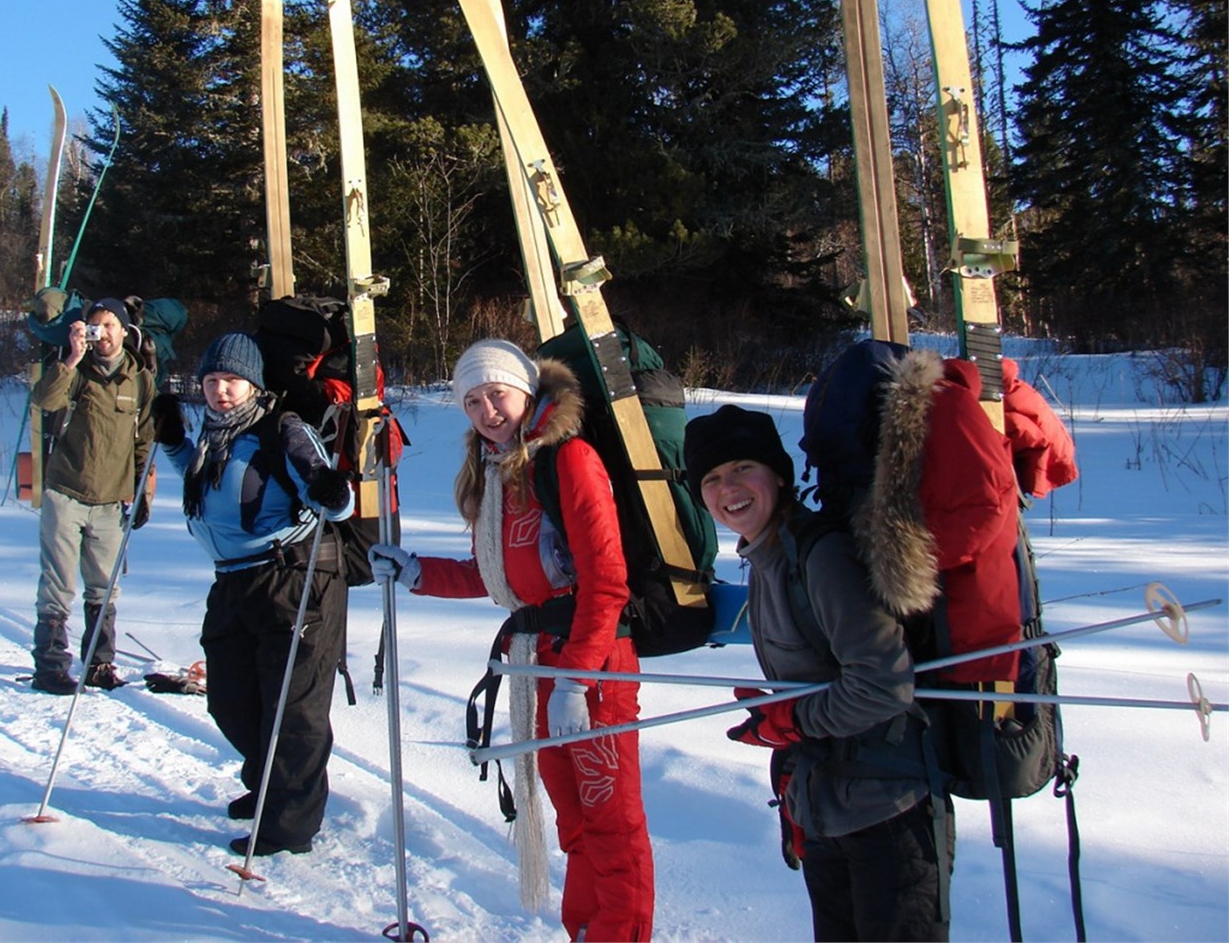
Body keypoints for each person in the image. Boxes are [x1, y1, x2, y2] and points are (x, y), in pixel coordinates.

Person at [369, 339, 654, 942]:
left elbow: (607, 582)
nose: (486, 411)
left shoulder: (569, 459)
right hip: (534, 665)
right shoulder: (496, 472)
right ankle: (585, 931)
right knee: (574, 822)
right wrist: (417, 572)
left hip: (591, 661)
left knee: (611, 823)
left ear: (525, 390)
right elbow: (496, 578)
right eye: (471, 401)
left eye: (495, 394)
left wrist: (577, 680)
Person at [683, 405, 951, 942]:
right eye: (711, 478)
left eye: (742, 468)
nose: (727, 487)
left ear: (779, 475)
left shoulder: (821, 555)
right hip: (824, 810)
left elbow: (883, 684)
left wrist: (790, 720)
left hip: (887, 814)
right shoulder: (766, 560)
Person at [152, 332, 354, 857]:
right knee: (230, 699)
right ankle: (270, 786)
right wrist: (174, 442)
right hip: (233, 581)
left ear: (254, 385)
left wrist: (332, 492)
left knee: (293, 706)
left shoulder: (281, 430)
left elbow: (329, 492)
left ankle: (288, 823)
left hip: (294, 579)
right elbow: (209, 484)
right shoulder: (212, 436)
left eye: (232, 382)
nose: (221, 391)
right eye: (213, 381)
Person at [30, 296, 155, 695]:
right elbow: (44, 401)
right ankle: (50, 667)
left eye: (109, 326)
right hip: (65, 492)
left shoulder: (139, 379)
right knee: (58, 585)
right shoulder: (74, 371)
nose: (101, 334)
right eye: (93, 326)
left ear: (124, 331)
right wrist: (70, 358)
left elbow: (145, 440)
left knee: (105, 587)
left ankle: (100, 664)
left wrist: (142, 492)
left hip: (111, 500)